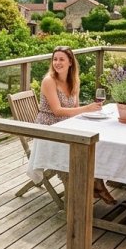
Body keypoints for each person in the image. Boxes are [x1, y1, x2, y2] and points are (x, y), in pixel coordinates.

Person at [36, 46, 116, 204]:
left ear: (70, 62)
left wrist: (88, 114)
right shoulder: (49, 81)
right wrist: (87, 109)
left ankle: (96, 182)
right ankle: (91, 186)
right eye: (55, 59)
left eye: (61, 59)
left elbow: (74, 109)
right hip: (49, 129)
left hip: (67, 125)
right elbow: (57, 111)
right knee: (81, 147)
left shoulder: (74, 81)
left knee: (96, 141)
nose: (57, 63)